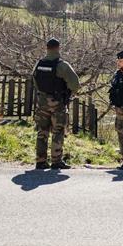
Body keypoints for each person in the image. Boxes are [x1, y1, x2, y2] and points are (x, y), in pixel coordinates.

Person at [31, 38, 80, 170]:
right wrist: (69, 93)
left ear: (46, 48)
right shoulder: (62, 65)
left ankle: (40, 161)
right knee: (58, 131)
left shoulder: (39, 64)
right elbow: (75, 84)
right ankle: (56, 161)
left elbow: (34, 79)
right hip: (57, 103)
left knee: (42, 132)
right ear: (58, 48)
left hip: (41, 103)